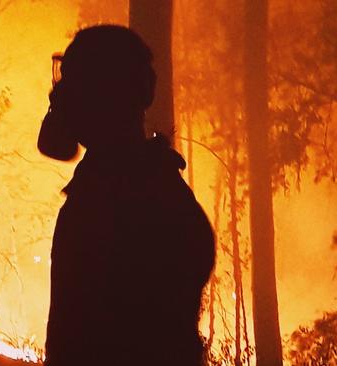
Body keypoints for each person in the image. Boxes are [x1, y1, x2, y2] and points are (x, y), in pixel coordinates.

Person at [38, 25, 215, 366]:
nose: (59, 96)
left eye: (73, 82)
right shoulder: (165, 189)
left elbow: (77, 341)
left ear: (101, 95)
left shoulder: (105, 202)